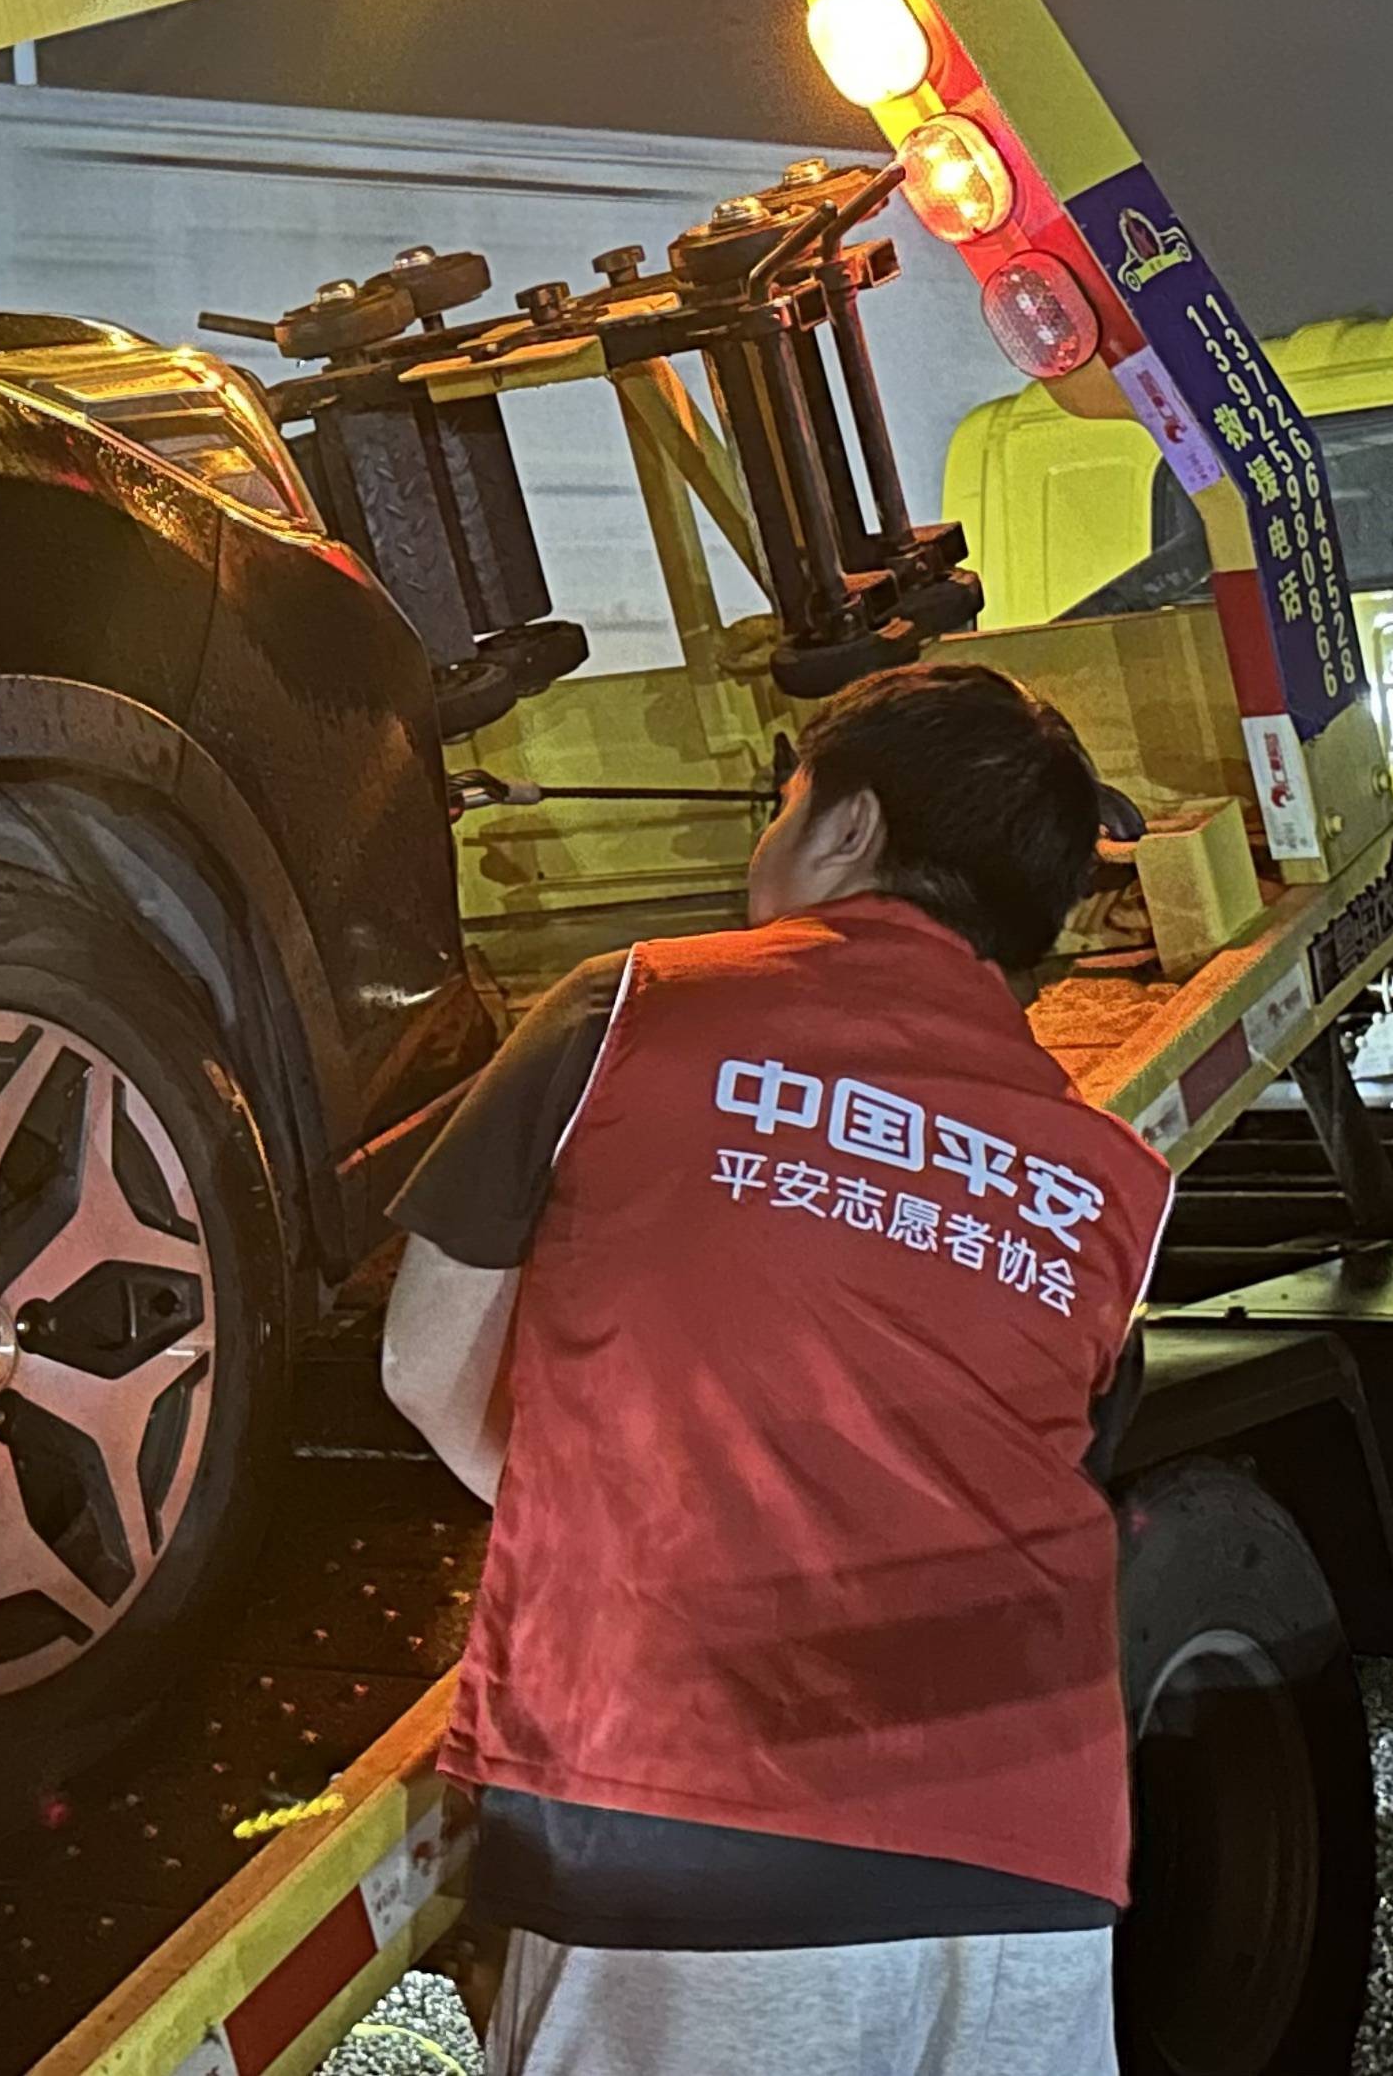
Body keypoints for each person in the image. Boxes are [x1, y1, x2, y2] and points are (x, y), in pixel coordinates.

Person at [380, 661, 1173, 2076]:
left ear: (848, 827)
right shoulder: (1106, 1175)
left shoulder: (623, 1012)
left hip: (698, 1814)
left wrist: (619, 1533)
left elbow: (427, 1365)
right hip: (1023, 1842)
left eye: (783, 798)